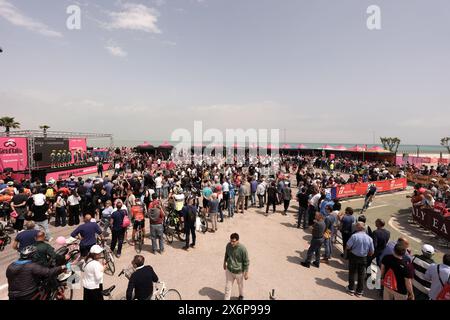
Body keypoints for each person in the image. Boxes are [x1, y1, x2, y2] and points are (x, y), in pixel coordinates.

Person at [346, 222, 374, 297]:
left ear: (358, 228)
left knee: (352, 273)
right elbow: (371, 252)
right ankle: (359, 292)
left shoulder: (354, 236)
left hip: (354, 256)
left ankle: (351, 289)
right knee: (361, 275)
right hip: (363, 258)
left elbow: (348, 246)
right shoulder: (369, 239)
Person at [223, 233, 250, 300]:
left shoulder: (242, 249)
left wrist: (246, 273)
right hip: (230, 270)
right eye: (231, 241)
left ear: (238, 241)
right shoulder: (228, 245)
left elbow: (246, 261)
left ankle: (241, 295)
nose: (232, 243)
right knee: (228, 287)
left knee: (240, 286)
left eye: (234, 241)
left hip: (239, 272)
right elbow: (226, 254)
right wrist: (224, 263)